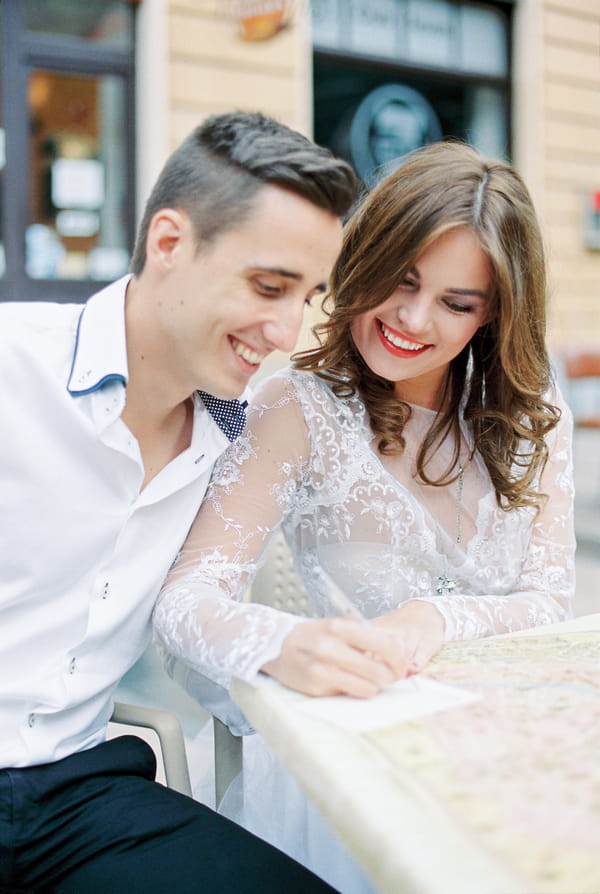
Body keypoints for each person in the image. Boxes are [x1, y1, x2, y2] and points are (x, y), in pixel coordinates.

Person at [154, 140, 576, 894]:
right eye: (401, 280)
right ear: (365, 260)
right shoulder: (296, 408)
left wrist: (435, 620)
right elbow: (186, 604)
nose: (412, 319)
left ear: (495, 313)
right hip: (366, 754)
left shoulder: (537, 416)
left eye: (457, 303)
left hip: (513, 745)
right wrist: (289, 644)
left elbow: (549, 605)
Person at [0, 109, 375, 894]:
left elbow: (194, 616)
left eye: (308, 296)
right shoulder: (11, 368)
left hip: (80, 794)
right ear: (169, 244)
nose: (286, 330)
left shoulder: (233, 440)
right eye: (270, 287)